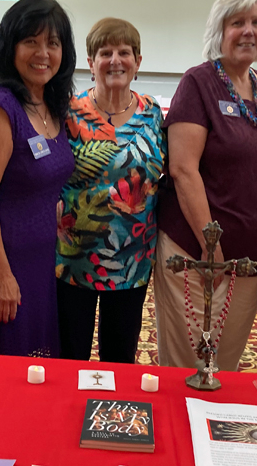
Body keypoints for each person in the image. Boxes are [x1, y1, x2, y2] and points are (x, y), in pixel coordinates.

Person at [153, 0, 257, 371]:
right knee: (188, 363)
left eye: (256, 23)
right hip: (198, 254)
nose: (249, 31)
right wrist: (210, 249)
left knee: (224, 363)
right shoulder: (198, 82)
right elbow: (182, 169)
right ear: (220, 31)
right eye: (238, 23)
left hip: (249, 259)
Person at [0, 0, 76, 357]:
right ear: (11, 47)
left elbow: (35, 181)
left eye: (53, 43)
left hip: (38, 258)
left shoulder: (50, 106)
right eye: (31, 41)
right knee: (1, 368)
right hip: (0, 261)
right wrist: (2, 275)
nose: (43, 53)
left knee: (36, 362)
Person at [56, 18, 167, 363]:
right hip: (73, 257)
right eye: (105, 52)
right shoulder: (68, 114)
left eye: (124, 52)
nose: (115, 60)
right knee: (69, 354)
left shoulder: (153, 115)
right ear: (91, 63)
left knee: (120, 357)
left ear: (138, 62)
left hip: (133, 258)